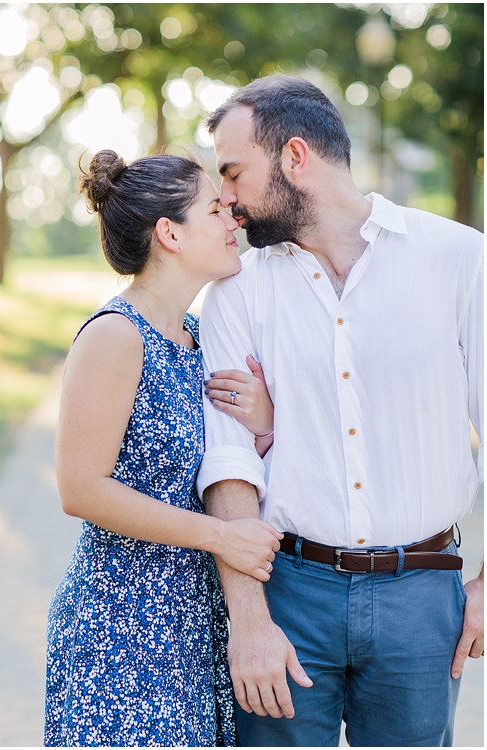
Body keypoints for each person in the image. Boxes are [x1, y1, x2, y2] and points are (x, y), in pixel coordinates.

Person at [197, 73, 484, 747]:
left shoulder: (458, 258)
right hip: (288, 593)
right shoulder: (238, 292)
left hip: (424, 599)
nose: (227, 200)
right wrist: (249, 620)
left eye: (234, 173)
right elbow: (229, 455)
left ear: (296, 157)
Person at [45, 149, 285, 747]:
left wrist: (262, 423)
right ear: (169, 233)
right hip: (122, 627)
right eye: (215, 209)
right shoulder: (114, 335)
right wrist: (220, 536)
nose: (234, 220)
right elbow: (81, 490)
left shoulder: (197, 335)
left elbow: (211, 462)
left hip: (193, 620)